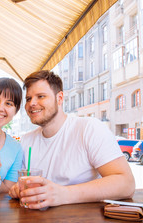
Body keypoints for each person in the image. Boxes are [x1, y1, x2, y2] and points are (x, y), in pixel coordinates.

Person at [9, 70, 135, 209]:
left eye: (40, 96)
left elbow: (126, 184)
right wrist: (17, 189)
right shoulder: (26, 141)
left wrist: (63, 194)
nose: (32, 103)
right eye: (28, 99)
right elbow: (20, 184)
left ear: (60, 98)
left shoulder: (89, 128)